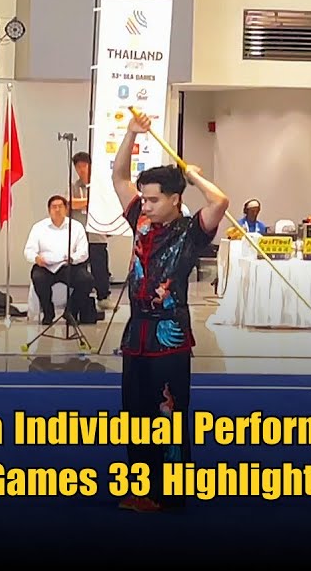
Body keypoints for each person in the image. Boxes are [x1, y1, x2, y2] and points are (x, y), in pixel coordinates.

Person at [111, 110, 229, 514]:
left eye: (153, 199)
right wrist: (131, 134)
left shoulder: (191, 232)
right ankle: (141, 488)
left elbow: (220, 201)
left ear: (175, 199)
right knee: (135, 415)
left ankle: (171, 492)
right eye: (144, 198)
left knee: (169, 413)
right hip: (136, 335)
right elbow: (118, 177)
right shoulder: (141, 221)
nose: (145, 204)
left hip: (170, 336)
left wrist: (192, 175)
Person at [24, 195, 93, 326]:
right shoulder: (39, 227)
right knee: (38, 278)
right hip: (45, 266)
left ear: (66, 209)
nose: (57, 210)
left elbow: (84, 252)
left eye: (60, 206)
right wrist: (36, 258)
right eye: (54, 207)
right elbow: (28, 250)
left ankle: (70, 311)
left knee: (86, 280)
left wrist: (72, 258)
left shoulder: (76, 227)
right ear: (49, 210)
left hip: (68, 265)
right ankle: (48, 312)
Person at [70, 151, 112, 310]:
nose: (81, 169)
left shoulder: (100, 186)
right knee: (79, 269)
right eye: (78, 167)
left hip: (97, 233)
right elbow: (69, 203)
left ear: (90, 166)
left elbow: (106, 205)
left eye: (84, 166)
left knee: (100, 267)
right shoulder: (73, 186)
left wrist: (83, 203)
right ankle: (80, 298)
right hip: (79, 235)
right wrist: (89, 202)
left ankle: (103, 297)